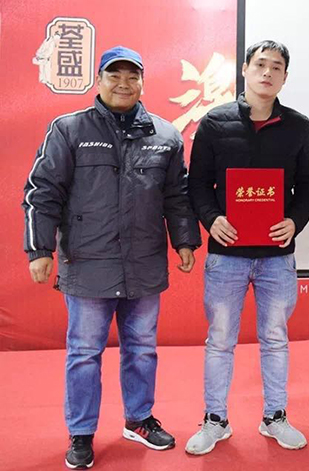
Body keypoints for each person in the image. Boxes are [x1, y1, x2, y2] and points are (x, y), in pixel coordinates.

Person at [22, 45, 201, 469]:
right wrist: (39, 249)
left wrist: (185, 241)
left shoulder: (165, 136)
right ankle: (81, 432)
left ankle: (139, 419)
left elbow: (177, 197)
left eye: (132, 76)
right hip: (88, 262)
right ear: (99, 80)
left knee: (142, 348)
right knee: (84, 351)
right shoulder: (69, 129)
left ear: (142, 83)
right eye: (114, 75)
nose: (124, 83)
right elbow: (42, 193)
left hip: (144, 262)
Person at [185, 40, 309, 454]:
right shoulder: (215, 122)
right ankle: (215, 419)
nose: (267, 73)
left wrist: (294, 222)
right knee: (220, 339)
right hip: (226, 254)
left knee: (275, 338)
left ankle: (275, 416)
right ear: (244, 69)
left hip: (277, 255)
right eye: (260, 64)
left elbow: (308, 186)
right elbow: (197, 183)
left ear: (285, 77)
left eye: (276, 67)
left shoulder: (298, 126)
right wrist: (212, 219)